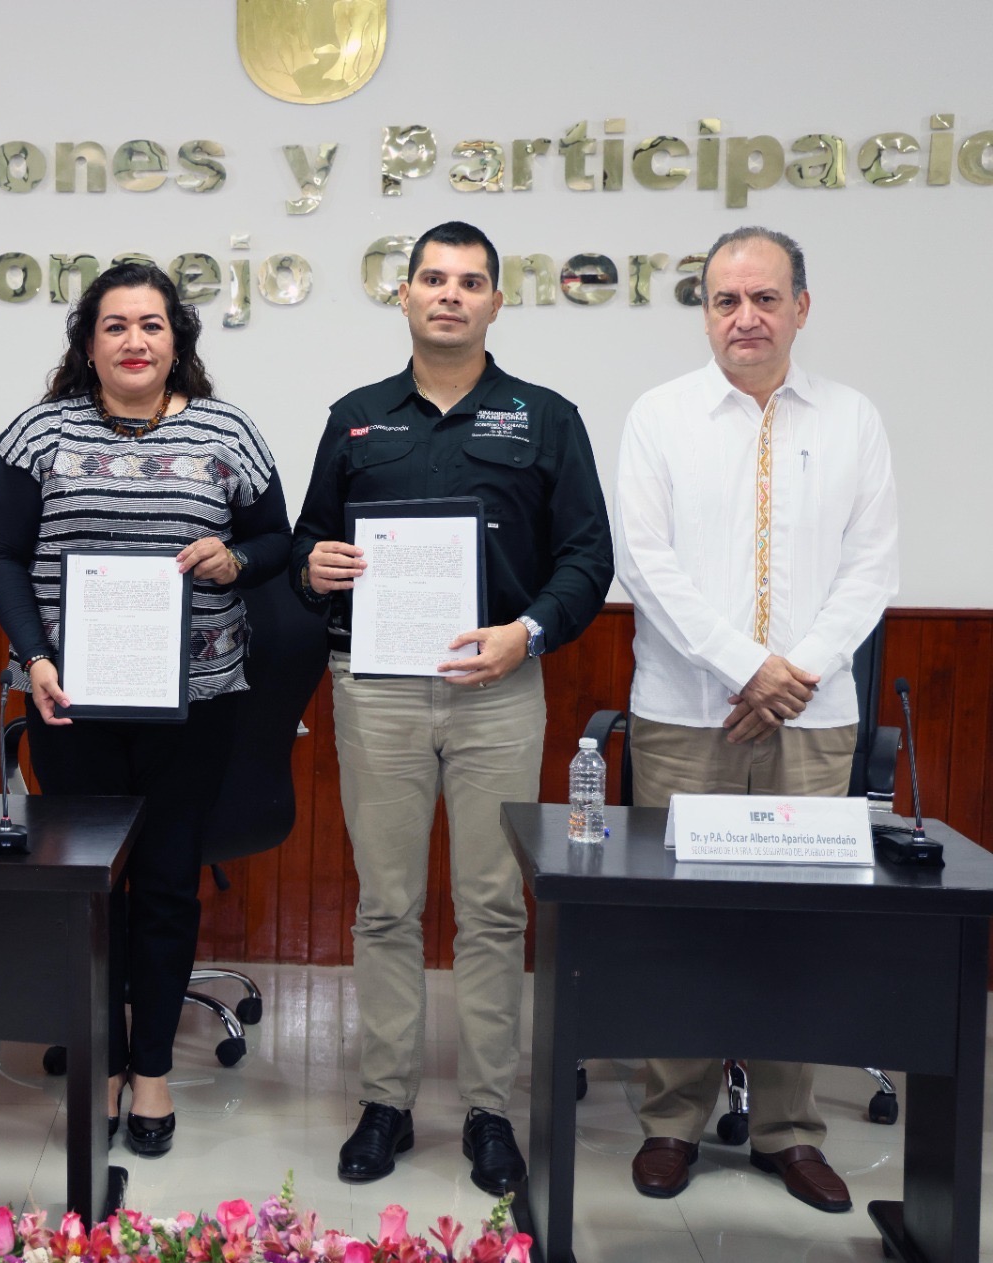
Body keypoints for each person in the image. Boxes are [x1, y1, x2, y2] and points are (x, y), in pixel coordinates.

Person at [291, 221, 613, 1190]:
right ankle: (384, 1101)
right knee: (385, 904)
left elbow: (587, 558)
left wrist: (530, 634)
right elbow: (307, 551)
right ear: (403, 295)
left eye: (469, 281)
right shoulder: (355, 417)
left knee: (491, 907)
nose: (449, 294)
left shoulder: (544, 417)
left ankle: (487, 1113)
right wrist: (314, 568)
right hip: (376, 691)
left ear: (494, 302)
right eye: (432, 277)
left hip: (498, 689)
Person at [615, 227, 898, 1212]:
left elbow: (872, 567)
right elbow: (645, 565)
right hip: (683, 713)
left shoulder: (853, 419)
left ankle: (788, 1129)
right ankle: (669, 1121)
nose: (745, 317)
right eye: (725, 300)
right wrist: (747, 668)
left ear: (800, 308)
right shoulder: (659, 417)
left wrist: (799, 673)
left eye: (764, 299)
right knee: (683, 923)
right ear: (704, 312)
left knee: (796, 927)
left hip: (814, 720)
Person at [0, 262, 289, 1157]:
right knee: (89, 888)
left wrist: (237, 560)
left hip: (196, 701)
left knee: (163, 881)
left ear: (177, 339)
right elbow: (1, 555)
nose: (134, 341)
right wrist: (34, 657)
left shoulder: (228, 430)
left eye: (151, 324)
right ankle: (103, 1055)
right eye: (115, 325)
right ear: (88, 343)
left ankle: (149, 1066)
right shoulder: (40, 434)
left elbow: (279, 540)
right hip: (69, 697)